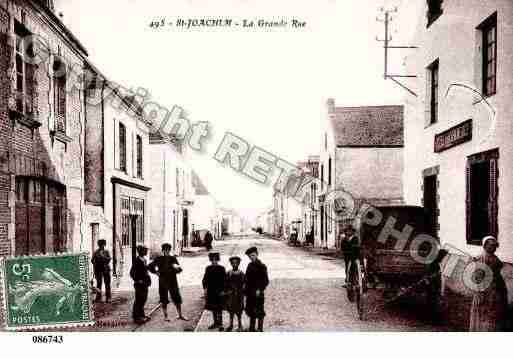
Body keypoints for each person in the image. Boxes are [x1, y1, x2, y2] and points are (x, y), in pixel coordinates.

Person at [469, 236, 508, 331]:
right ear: (485, 246)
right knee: (484, 314)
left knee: (495, 313)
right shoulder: (480, 258)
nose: (494, 248)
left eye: (495, 246)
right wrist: (478, 292)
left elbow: (498, 269)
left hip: (496, 288)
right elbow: (476, 278)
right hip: (485, 290)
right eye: (492, 245)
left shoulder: (495, 257)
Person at [148, 243, 188, 321]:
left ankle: (180, 315)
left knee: (177, 297)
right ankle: (166, 316)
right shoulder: (159, 258)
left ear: (170, 250)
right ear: (163, 251)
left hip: (172, 280)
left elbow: (179, 269)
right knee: (164, 298)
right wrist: (156, 272)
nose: (167, 251)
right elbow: (149, 266)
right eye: (165, 250)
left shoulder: (173, 258)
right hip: (163, 281)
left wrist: (177, 269)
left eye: (168, 250)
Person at [244, 246, 269, 332]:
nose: (252, 257)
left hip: (258, 293)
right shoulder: (249, 265)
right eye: (250, 256)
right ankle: (252, 328)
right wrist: (245, 289)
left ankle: (260, 328)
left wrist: (260, 289)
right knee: (251, 310)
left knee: (259, 310)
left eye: (253, 255)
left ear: (257, 255)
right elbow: (246, 278)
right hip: (250, 292)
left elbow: (266, 280)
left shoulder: (262, 266)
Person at [202, 252, 226, 330]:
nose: (214, 261)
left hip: (219, 291)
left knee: (219, 308)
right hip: (211, 291)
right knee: (213, 308)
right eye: (212, 260)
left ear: (218, 260)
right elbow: (205, 279)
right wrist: (205, 289)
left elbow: (224, 280)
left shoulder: (221, 268)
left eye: (215, 260)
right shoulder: (208, 268)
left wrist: (223, 290)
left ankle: (221, 324)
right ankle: (215, 323)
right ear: (210, 260)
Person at [130, 245, 151, 324]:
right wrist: (138, 280)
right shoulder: (137, 261)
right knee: (139, 300)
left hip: (145, 283)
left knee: (143, 299)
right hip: (139, 284)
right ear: (141, 251)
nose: (146, 251)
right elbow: (132, 273)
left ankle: (142, 315)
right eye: (145, 250)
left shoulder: (144, 260)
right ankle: (137, 318)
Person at [225, 256, 245, 331]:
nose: (234, 264)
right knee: (231, 311)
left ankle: (240, 325)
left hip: (239, 295)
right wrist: (227, 291)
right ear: (231, 264)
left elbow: (244, 283)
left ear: (238, 264)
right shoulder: (229, 273)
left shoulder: (241, 273)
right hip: (231, 295)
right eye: (233, 263)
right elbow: (225, 283)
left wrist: (242, 291)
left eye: (236, 263)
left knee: (239, 311)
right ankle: (231, 325)